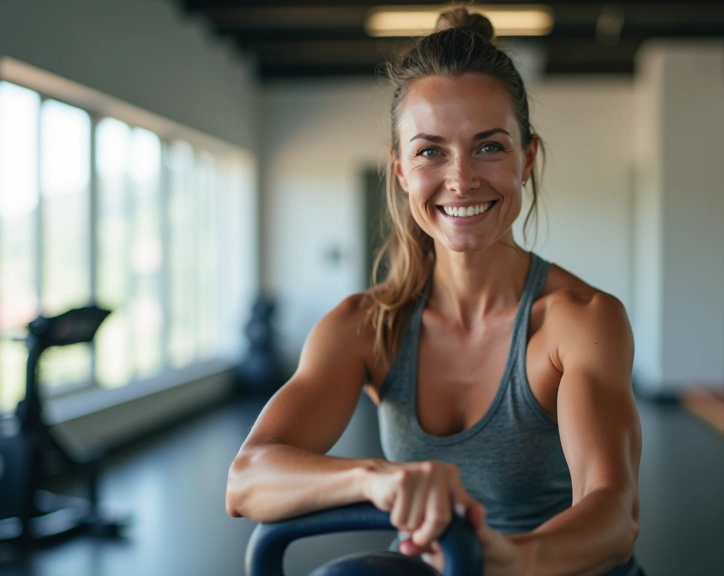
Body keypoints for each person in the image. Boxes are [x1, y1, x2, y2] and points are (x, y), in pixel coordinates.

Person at [226, 7, 643, 576]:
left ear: (527, 160)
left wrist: (504, 558)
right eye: (431, 151)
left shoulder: (579, 321)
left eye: (489, 147)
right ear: (400, 170)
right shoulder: (366, 324)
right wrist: (377, 478)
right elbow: (248, 479)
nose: (462, 178)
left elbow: (614, 515)